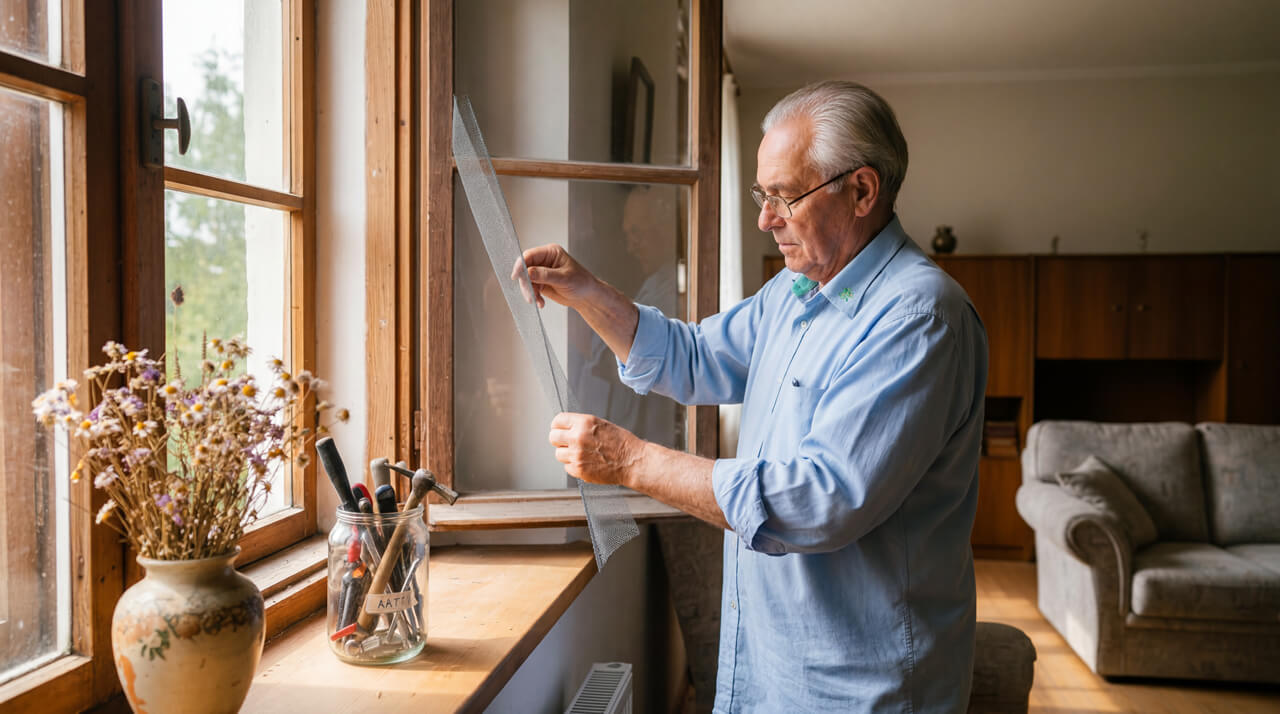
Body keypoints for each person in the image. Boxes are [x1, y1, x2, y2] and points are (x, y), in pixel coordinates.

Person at [523, 80, 988, 713]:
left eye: (784, 196)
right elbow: (690, 358)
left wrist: (629, 462)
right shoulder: (793, 293)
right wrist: (586, 292)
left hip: (861, 688)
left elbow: (818, 500)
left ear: (862, 190)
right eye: (761, 194)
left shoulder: (918, 315)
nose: (766, 218)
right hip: (770, 667)